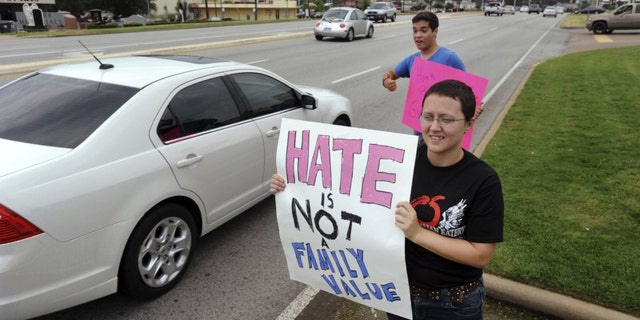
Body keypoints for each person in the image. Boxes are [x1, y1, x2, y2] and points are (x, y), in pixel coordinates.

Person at [270, 79, 504, 320]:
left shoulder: (483, 180)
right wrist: (293, 183)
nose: (434, 127)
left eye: (446, 119)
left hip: (452, 303)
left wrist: (417, 233)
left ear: (469, 124)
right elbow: (342, 187)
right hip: (397, 294)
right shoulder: (400, 160)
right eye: (428, 117)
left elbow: (480, 254)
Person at [381, 11, 465, 93]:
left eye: (424, 31)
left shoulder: (450, 58)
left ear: (435, 32)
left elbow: (469, 90)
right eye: (415, 31)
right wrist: (386, 81)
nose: (418, 35)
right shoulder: (412, 60)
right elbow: (390, 73)